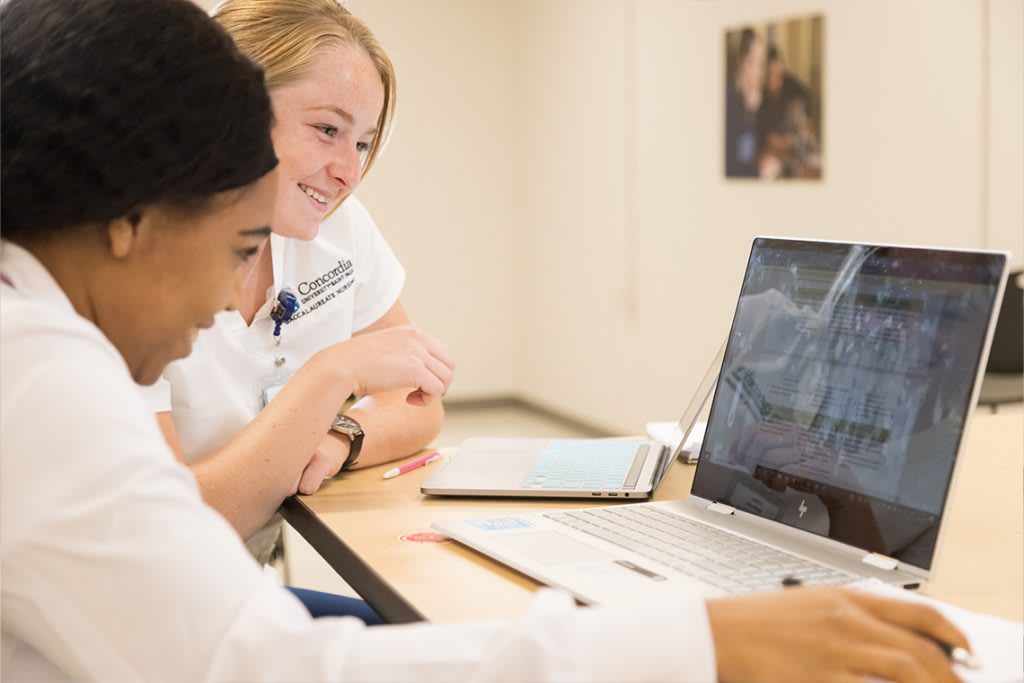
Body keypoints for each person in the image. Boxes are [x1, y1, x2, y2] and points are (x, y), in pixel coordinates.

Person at [0, 1, 972, 680]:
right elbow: (270, 665)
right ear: (129, 217)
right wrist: (700, 644)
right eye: (239, 245)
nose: (230, 302)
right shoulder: (44, 384)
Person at [142, 0, 441, 581]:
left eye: (361, 143)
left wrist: (338, 436)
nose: (349, 172)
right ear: (228, 108)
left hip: (242, 588)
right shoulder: (127, 270)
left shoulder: (337, 229)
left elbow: (419, 402)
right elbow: (171, 529)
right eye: (328, 130)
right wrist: (333, 375)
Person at [725, 27, 764, 178]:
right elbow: (733, 167)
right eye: (755, 63)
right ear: (742, 63)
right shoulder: (728, 100)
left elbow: (748, 154)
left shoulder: (745, 99)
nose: (759, 72)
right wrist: (760, 173)